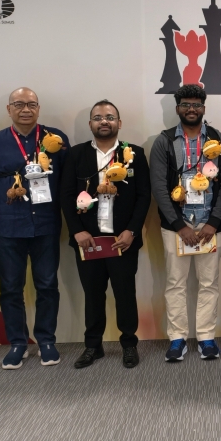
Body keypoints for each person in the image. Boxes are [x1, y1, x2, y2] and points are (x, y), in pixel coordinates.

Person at [0, 88, 70, 369]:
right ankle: (18, 343)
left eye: (31, 104)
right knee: (10, 288)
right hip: (10, 225)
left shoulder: (56, 139)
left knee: (47, 285)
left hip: (46, 223)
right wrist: (10, 196)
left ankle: (46, 341)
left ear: (39, 108)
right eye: (19, 104)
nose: (26, 109)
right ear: (9, 109)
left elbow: (66, 179)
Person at [60, 100, 151, 369]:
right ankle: (93, 345)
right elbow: (66, 195)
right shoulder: (76, 155)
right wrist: (77, 231)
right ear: (90, 123)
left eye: (110, 117)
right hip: (88, 240)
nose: (104, 121)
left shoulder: (134, 153)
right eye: (98, 117)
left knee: (125, 293)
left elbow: (144, 196)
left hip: (122, 241)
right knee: (93, 295)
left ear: (119, 123)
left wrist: (132, 231)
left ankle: (129, 344)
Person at [150, 84, 221, 361]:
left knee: (209, 283)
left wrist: (215, 222)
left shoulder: (219, 140)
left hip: (209, 225)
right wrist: (179, 226)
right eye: (186, 105)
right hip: (176, 226)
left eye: (196, 104)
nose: (191, 109)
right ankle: (177, 339)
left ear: (203, 108)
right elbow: (159, 188)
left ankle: (206, 337)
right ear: (178, 109)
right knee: (175, 283)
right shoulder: (164, 141)